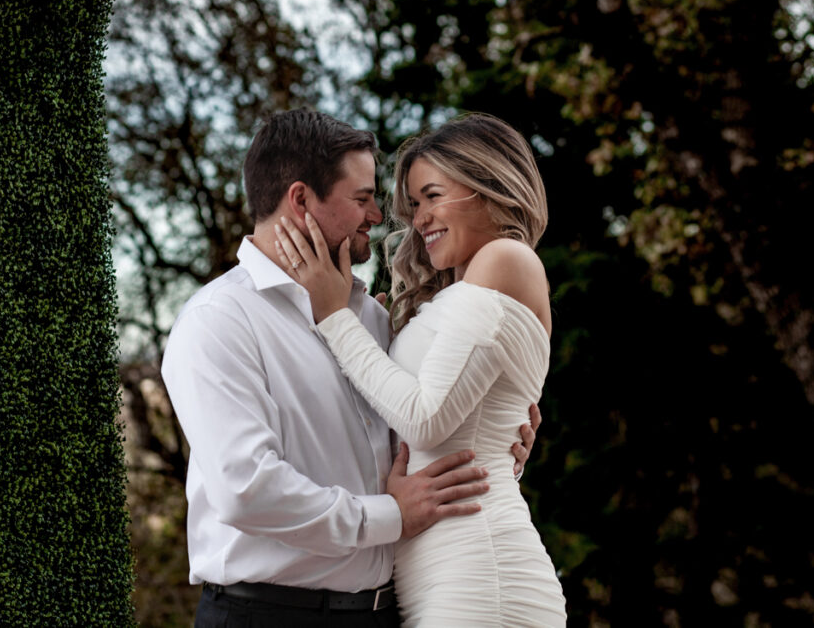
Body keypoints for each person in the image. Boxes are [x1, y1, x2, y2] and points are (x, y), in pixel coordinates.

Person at [161, 108, 541, 628]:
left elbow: (419, 434)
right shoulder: (220, 321)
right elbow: (247, 488)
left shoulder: (370, 317)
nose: (380, 217)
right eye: (362, 198)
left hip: (387, 610)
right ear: (301, 199)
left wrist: (498, 443)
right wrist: (390, 516)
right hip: (269, 616)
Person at [274, 112, 568, 627]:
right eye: (414, 205)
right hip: (441, 577)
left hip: (480, 578)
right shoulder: (461, 290)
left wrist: (334, 318)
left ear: (489, 187)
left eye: (433, 196)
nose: (420, 219)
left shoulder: (506, 258)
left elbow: (425, 420)